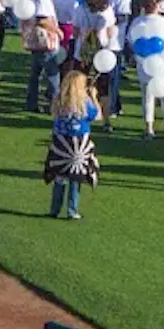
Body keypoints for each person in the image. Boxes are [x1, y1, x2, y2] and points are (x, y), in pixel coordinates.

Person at [45, 70, 101, 219]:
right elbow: (96, 115)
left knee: (60, 177)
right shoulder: (84, 103)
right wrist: (94, 97)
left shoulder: (59, 100)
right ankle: (72, 210)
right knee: (75, 178)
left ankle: (54, 209)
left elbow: (53, 114)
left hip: (60, 144)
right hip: (78, 146)